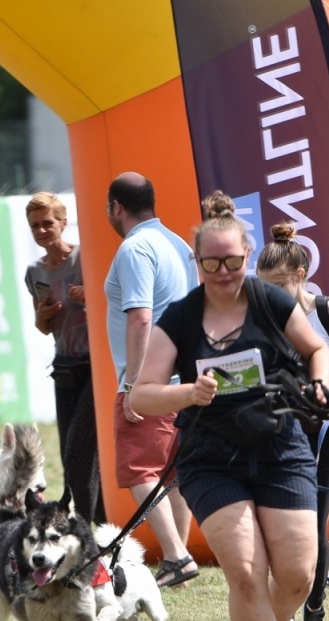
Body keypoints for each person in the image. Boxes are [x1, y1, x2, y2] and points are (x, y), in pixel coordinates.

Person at [131, 193, 329, 621]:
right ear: (197, 262)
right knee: (245, 572)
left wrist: (320, 384)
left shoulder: (271, 300)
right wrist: (188, 393)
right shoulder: (180, 317)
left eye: (233, 261)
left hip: (280, 444)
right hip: (211, 455)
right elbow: (142, 393)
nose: (223, 271)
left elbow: (317, 350)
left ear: (246, 255)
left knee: (298, 576)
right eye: (211, 262)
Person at [255, 222, 329, 621]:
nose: (271, 295)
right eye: (264, 286)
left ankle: (313, 618)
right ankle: (279, 618)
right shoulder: (261, 317)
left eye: (279, 285)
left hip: (327, 427)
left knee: (315, 525)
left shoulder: (326, 312)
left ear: (300, 275)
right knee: (282, 526)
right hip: (282, 427)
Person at [102, 171, 198, 586]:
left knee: (139, 469)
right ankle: (182, 554)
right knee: (172, 470)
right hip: (182, 375)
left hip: (151, 380)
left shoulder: (134, 247)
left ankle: (177, 556)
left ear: (116, 208)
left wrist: (132, 385)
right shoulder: (176, 243)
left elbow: (140, 317)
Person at [24, 191, 102, 524]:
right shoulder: (35, 272)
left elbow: (114, 306)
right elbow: (43, 327)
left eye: (47, 223)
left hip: (95, 366)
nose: (42, 231)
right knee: (69, 454)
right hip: (64, 366)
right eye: (35, 226)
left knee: (80, 450)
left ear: (63, 222)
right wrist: (43, 315)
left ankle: (88, 525)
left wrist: (91, 296)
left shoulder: (86, 259)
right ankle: (93, 523)